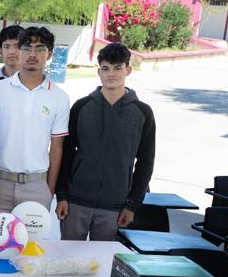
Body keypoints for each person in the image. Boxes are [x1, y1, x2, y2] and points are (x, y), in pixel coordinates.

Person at [56, 42, 156, 241]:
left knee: (104, 259)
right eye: (105, 68)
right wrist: (62, 195)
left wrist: (132, 204)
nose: (111, 74)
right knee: (68, 256)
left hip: (116, 206)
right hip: (76, 203)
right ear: (98, 71)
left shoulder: (142, 112)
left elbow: (146, 161)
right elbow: (66, 153)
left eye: (117, 68)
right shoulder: (81, 107)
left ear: (128, 70)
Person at [0, 25, 69, 214]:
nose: (32, 54)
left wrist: (49, 190)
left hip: (37, 186)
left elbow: (56, 148)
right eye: (27, 48)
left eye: (40, 48)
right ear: (19, 51)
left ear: (49, 53)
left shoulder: (59, 97)